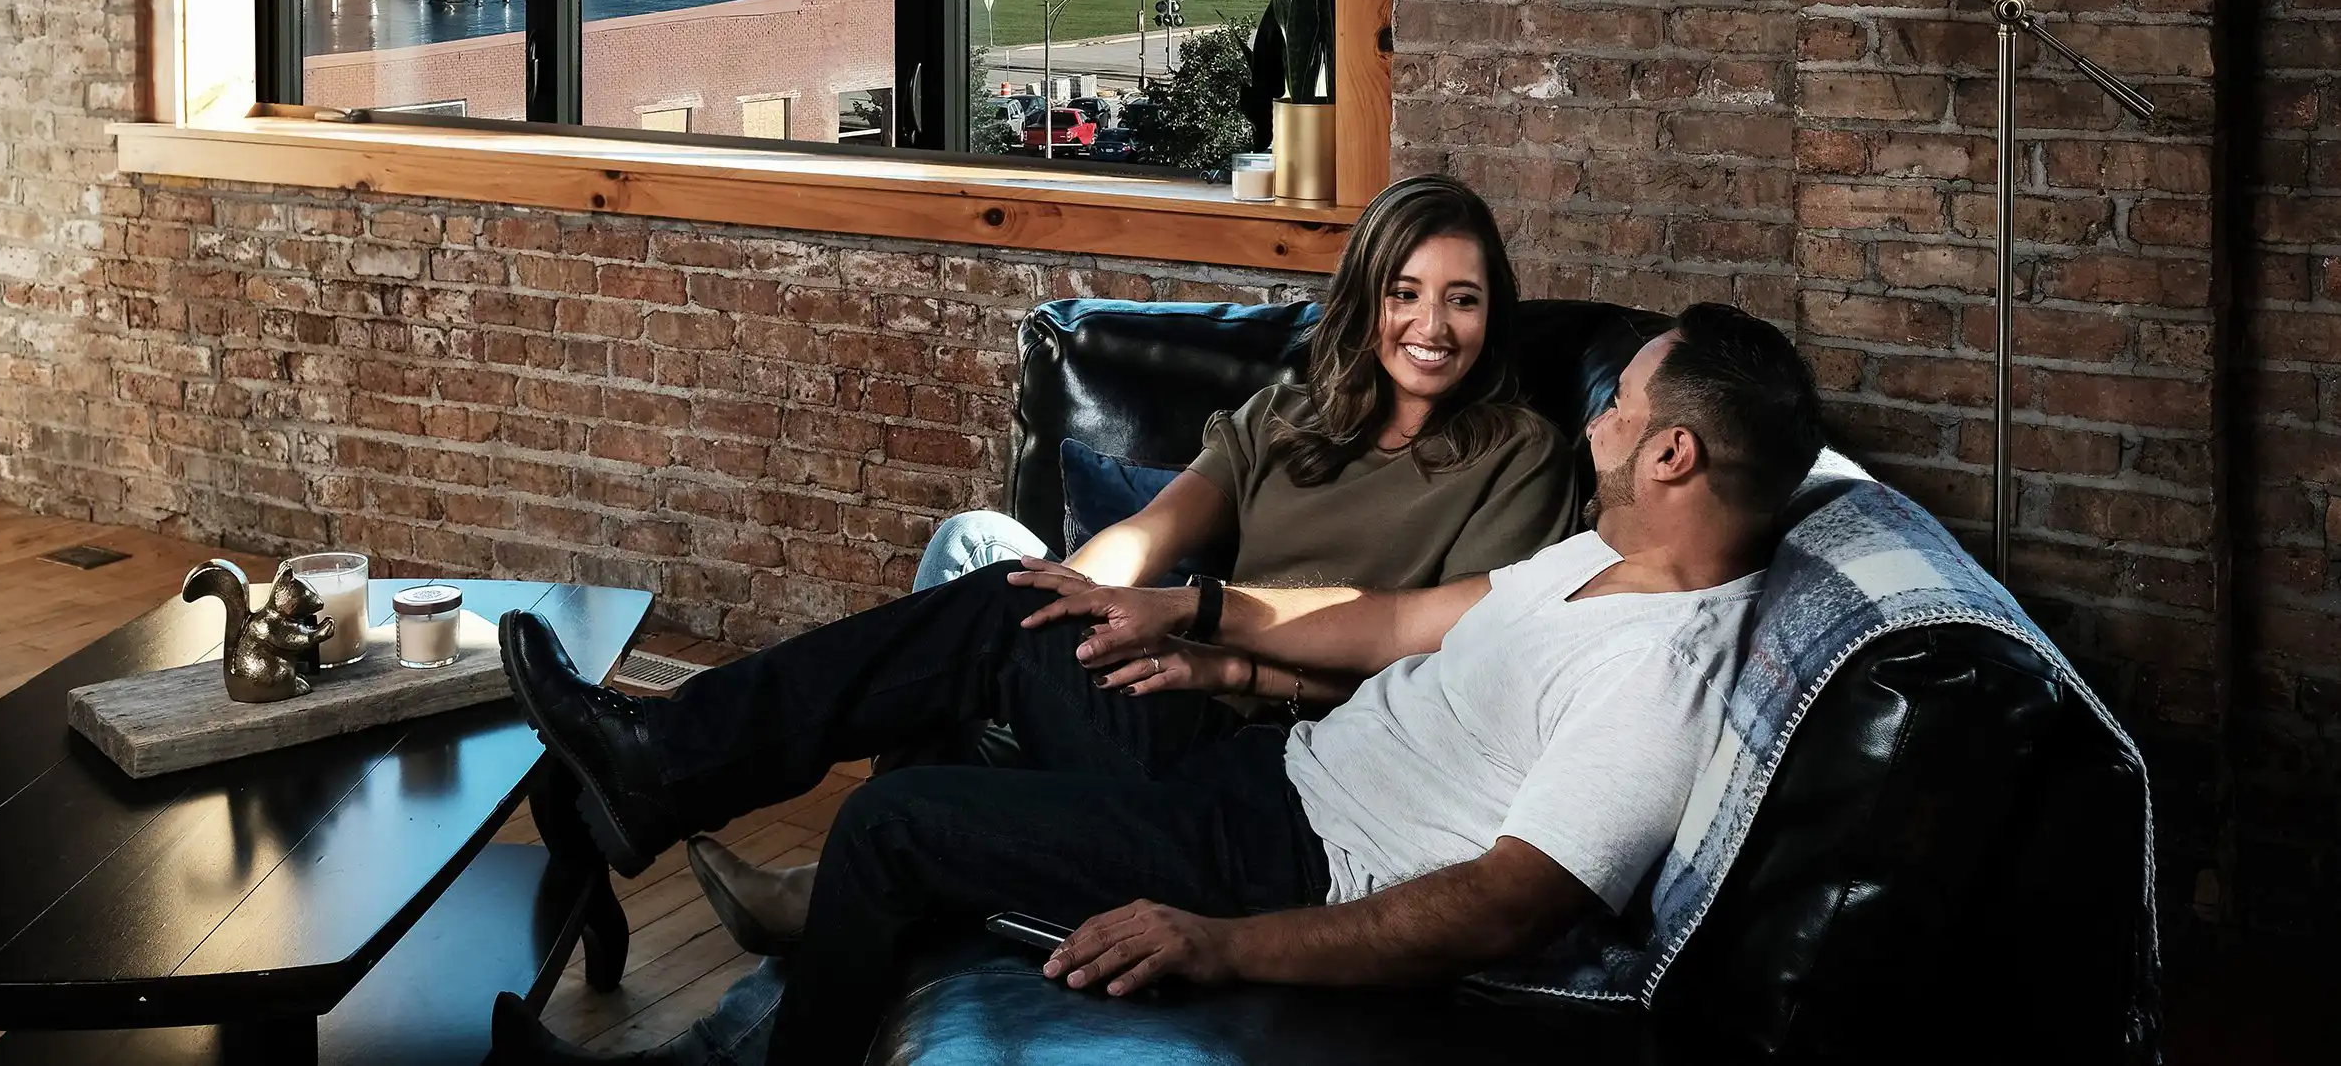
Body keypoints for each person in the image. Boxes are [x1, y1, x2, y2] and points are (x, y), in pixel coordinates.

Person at [490, 302, 1828, 1066]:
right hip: (1261, 774)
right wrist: (1212, 646)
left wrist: (1217, 939)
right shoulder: (1606, 552)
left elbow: (1494, 907)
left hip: (1279, 863)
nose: (1597, 416)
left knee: (900, 822)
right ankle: (660, 762)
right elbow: (1404, 621)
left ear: (1673, 454)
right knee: (1020, 603)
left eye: (1624, 406)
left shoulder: (1658, 679)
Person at [686, 171, 1580, 956]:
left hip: (1286, 770)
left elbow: (1443, 664)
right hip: (1170, 706)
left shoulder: (1520, 455)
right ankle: (707, 798)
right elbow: (1152, 530)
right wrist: (1083, 590)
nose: (1432, 325)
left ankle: (679, 766)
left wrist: (1211, 639)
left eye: (1462, 298)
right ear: (1367, 299)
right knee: (1014, 596)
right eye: (1406, 292)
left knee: (987, 633)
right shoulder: (1288, 417)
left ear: (1491, 309)